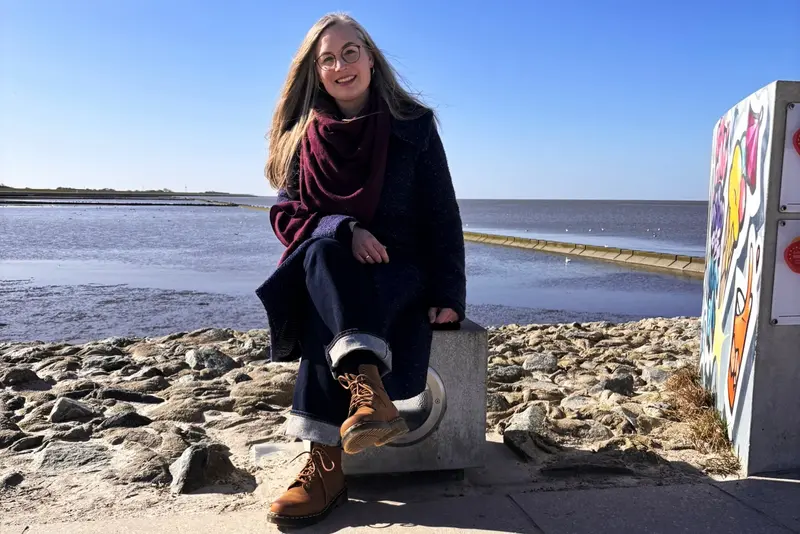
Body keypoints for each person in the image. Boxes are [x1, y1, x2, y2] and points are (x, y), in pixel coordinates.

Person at [255, 12, 466, 528]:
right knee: (322, 255)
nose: (340, 65)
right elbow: (286, 214)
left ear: (371, 57)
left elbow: (442, 213)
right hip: (330, 269)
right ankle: (368, 394)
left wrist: (449, 294)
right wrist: (346, 228)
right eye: (327, 58)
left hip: (399, 270)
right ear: (316, 72)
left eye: (350, 52)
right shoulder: (301, 136)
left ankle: (325, 469)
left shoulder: (413, 125)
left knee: (326, 315)